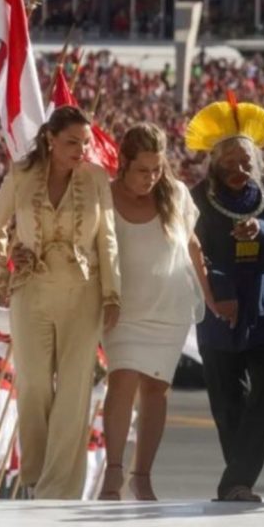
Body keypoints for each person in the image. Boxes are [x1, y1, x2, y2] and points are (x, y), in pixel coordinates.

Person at [0, 105, 121, 499]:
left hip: (84, 291)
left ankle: (59, 488)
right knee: (31, 384)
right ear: (50, 138)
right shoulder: (21, 174)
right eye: (71, 142)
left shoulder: (97, 178)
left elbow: (107, 238)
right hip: (31, 289)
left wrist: (113, 293)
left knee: (75, 389)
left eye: (85, 142)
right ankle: (35, 475)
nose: (80, 149)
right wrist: (2, 273)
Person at [186, 96, 264, 502]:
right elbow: (189, 252)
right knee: (226, 401)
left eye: (244, 163)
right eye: (229, 163)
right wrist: (221, 293)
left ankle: (236, 482)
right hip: (217, 310)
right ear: (213, 162)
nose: (238, 170)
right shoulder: (197, 198)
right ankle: (239, 482)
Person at [99, 123, 213, 501]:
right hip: (124, 308)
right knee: (122, 380)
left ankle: (142, 475)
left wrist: (211, 300)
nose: (150, 178)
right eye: (142, 170)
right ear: (124, 164)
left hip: (170, 308)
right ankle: (113, 472)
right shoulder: (104, 195)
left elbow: (193, 246)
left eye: (156, 169)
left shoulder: (176, 194)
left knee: (156, 390)